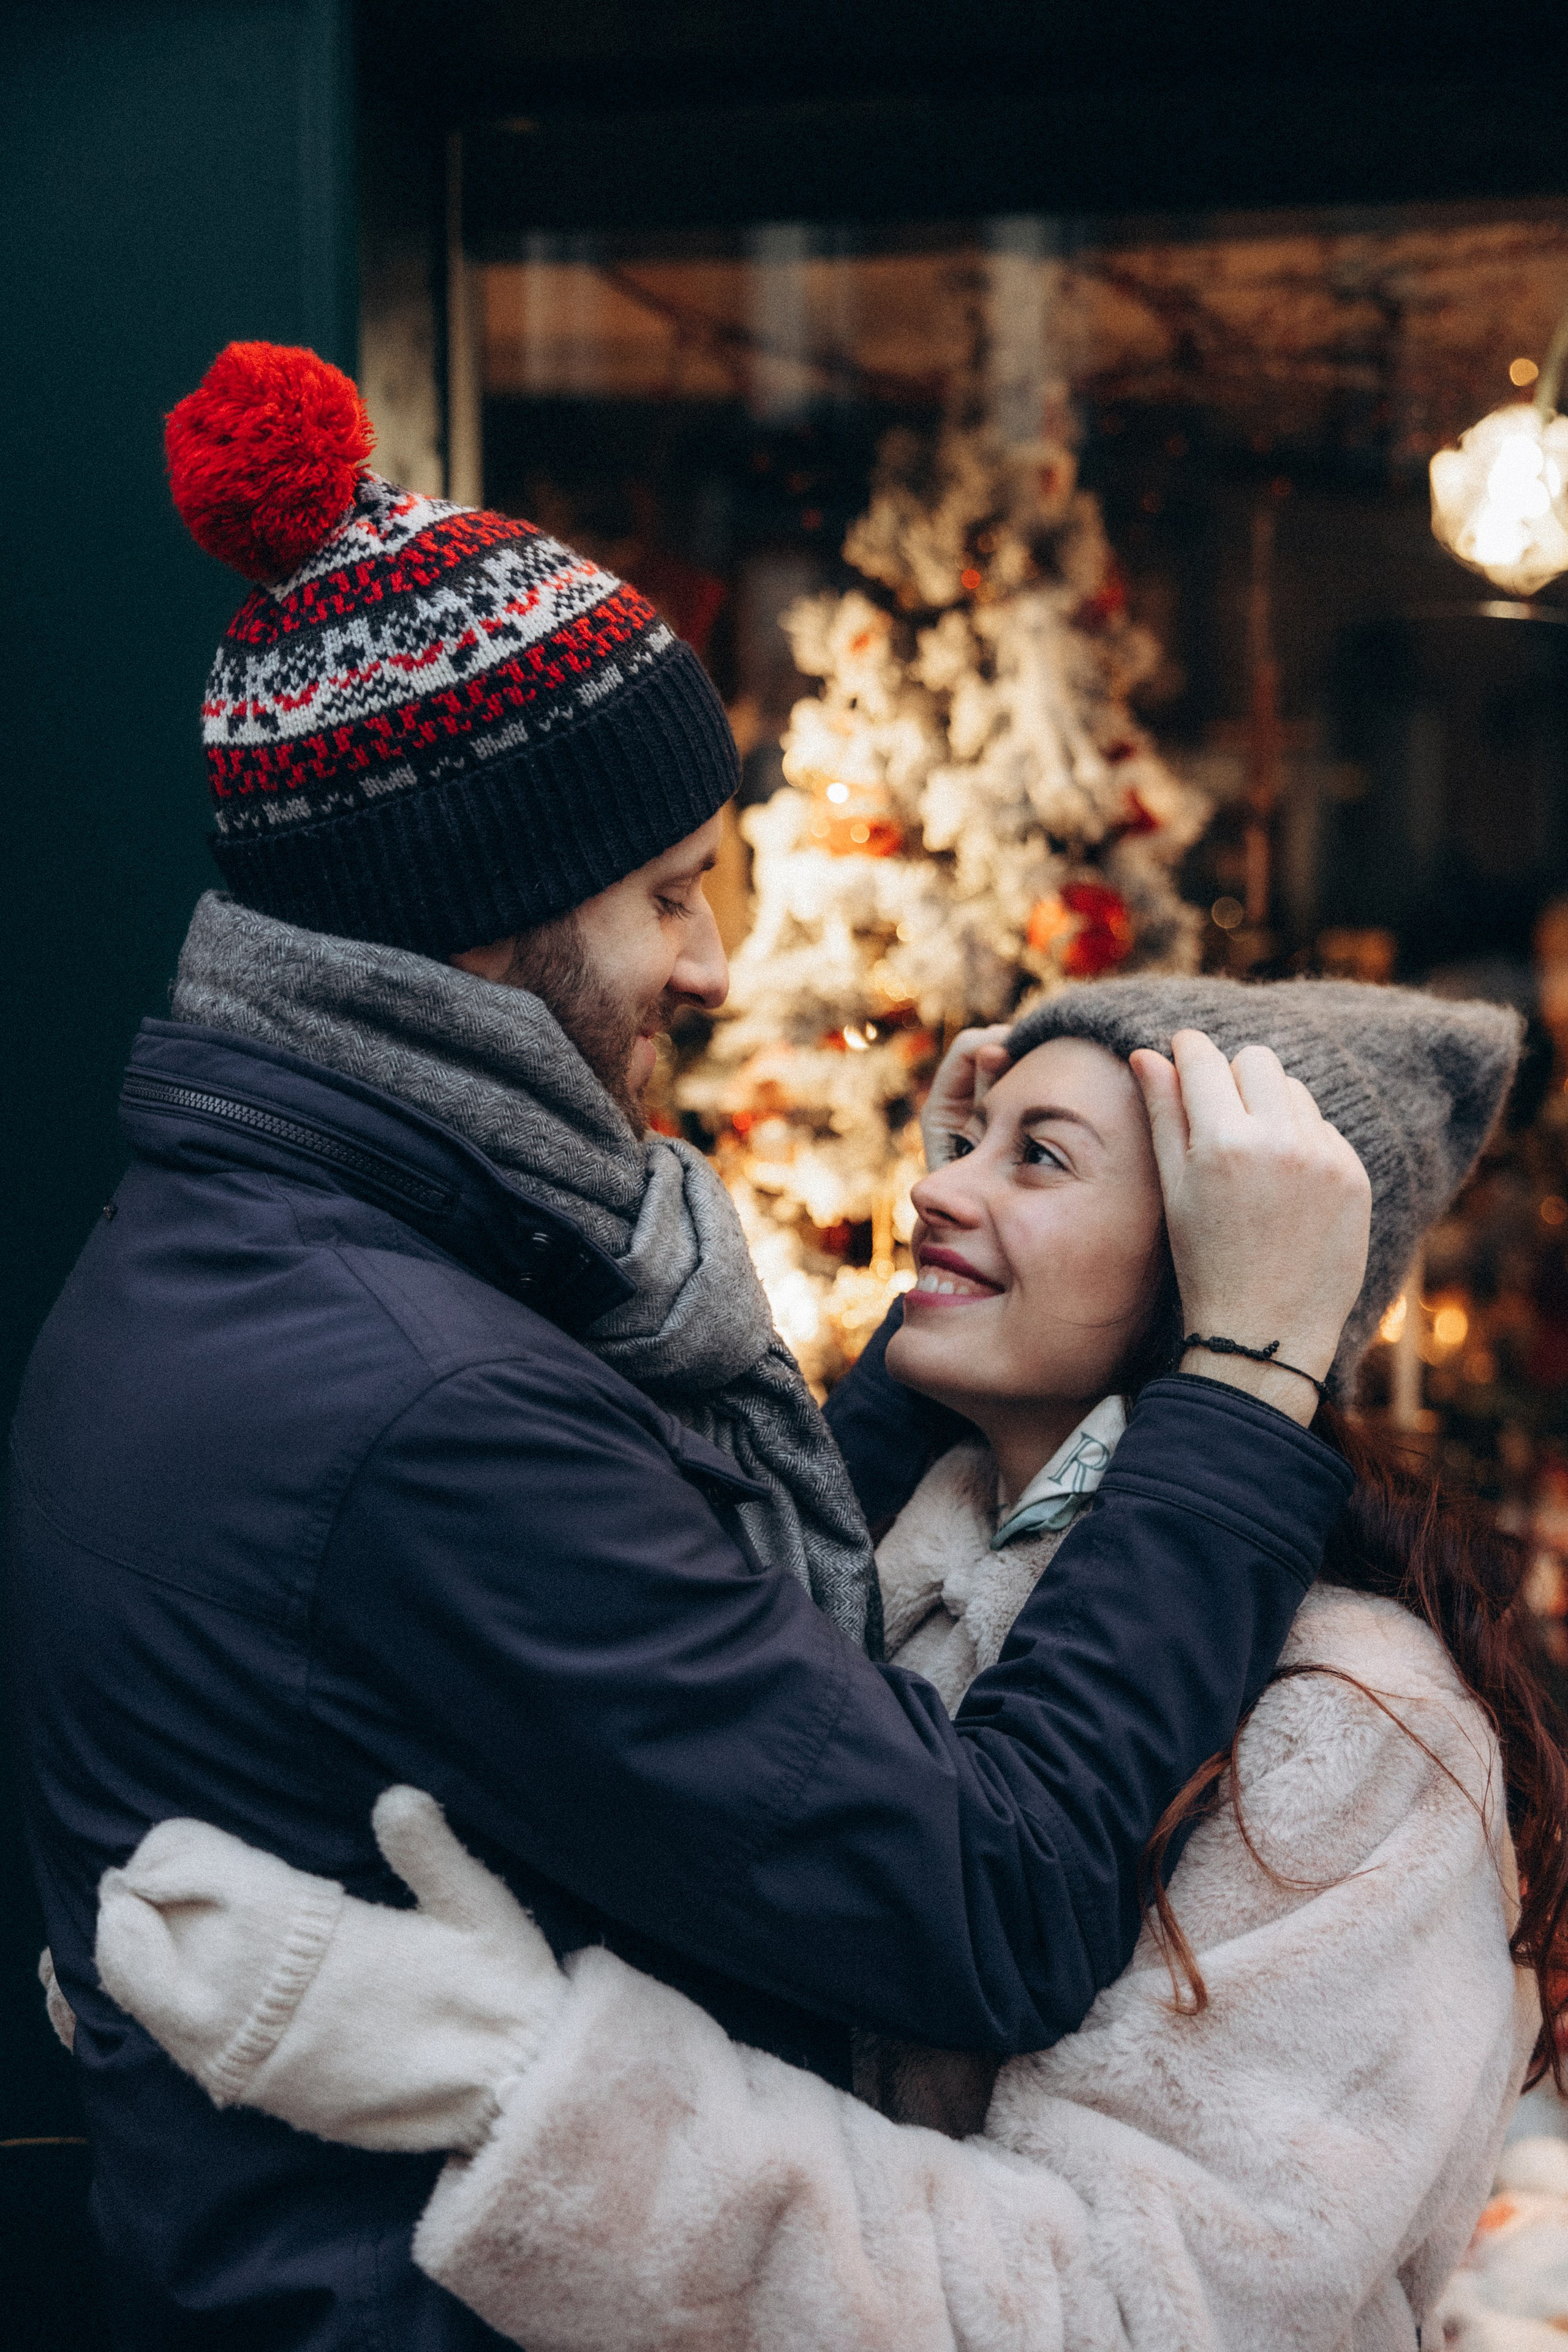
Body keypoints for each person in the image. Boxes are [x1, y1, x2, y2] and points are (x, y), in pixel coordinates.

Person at [6, 342, 1368, 2348]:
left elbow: (634, 1636)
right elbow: (987, 1899)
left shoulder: (253, 1241)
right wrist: (1246, 1378)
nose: (720, 963)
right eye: (671, 894)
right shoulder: (427, 1400)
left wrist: (967, 1342)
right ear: (485, 920)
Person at [91, 974, 1563, 2352]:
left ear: (1216, 1260)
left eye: (1036, 1159)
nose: (934, 1184)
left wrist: (530, 2086)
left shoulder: (1348, 1725)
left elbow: (1123, 2310)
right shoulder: (907, 1567)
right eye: (964, 1136)